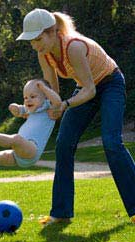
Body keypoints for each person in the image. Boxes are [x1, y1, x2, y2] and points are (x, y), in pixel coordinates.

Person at [16, 8, 135, 225]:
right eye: (31, 41)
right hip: (85, 89)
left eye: (38, 38)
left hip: (110, 83)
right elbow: (52, 89)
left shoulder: (74, 46)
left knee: (111, 142)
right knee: (64, 143)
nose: (35, 45)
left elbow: (90, 90)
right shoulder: (44, 53)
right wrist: (36, 110)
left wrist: (65, 105)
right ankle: (60, 212)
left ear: (52, 32)